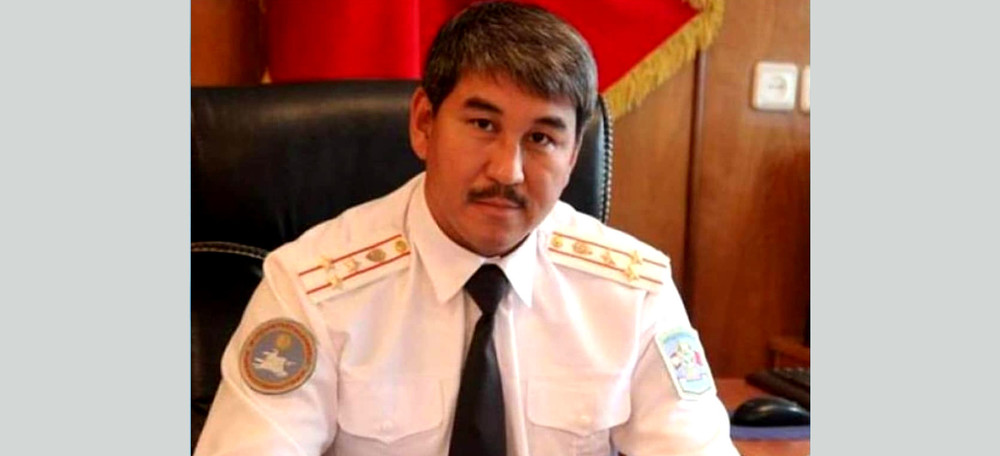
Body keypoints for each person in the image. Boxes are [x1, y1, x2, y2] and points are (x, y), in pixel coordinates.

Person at [194, 2, 738, 455]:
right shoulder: (312, 288)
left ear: (574, 155)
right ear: (424, 124)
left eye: (542, 138)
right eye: (483, 125)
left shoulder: (633, 291)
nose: (508, 171)